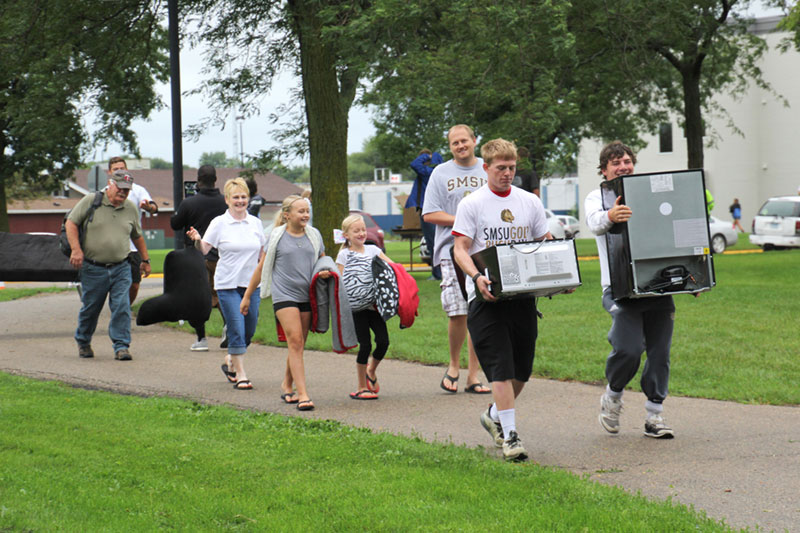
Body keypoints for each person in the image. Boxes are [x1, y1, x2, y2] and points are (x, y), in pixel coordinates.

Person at [452, 138, 551, 462]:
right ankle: (510, 437)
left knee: (521, 371)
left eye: (511, 168)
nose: (507, 174)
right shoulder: (473, 204)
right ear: (487, 168)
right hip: (487, 299)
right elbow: (461, 248)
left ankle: (494, 414)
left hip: (522, 297)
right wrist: (476, 278)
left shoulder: (529, 202)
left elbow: (543, 241)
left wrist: (559, 276)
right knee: (500, 368)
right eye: (501, 168)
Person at [584, 141, 676, 439]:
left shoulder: (647, 194)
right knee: (629, 349)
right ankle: (612, 397)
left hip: (657, 286)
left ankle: (654, 415)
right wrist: (611, 216)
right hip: (619, 287)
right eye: (616, 163)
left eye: (626, 161)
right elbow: (594, 223)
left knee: (660, 353)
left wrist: (690, 279)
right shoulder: (595, 197)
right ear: (604, 169)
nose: (623, 166)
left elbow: (668, 232)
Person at [241, 195, 329, 411]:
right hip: (284, 294)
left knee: (298, 345)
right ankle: (303, 394)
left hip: (307, 295)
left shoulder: (314, 235)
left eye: (307, 211)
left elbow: (322, 260)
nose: (305, 215)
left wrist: (325, 272)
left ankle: (286, 384)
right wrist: (247, 296)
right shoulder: (276, 237)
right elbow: (261, 268)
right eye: (301, 211)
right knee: (296, 341)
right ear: (287, 214)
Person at [422, 124, 491, 395]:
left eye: (465, 141)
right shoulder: (441, 173)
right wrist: (464, 221)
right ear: (450, 147)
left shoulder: (488, 169)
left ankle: (474, 375)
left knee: (480, 310)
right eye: (455, 143)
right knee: (458, 311)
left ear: (475, 140)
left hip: (484, 250)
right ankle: (453, 365)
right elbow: (429, 214)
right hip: (451, 249)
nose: (461, 146)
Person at [187, 178, 266, 391]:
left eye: (243, 197)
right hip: (227, 283)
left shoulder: (255, 223)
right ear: (227, 200)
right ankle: (240, 373)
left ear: (248, 199)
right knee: (236, 327)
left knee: (249, 329)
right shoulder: (219, 223)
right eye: (236, 198)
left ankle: (231, 358)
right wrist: (196, 238)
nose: (240, 201)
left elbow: (262, 254)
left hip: (250, 285)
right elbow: (204, 249)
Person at [66, 169, 151, 361]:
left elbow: (137, 236)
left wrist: (145, 261)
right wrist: (76, 250)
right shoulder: (92, 201)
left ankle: (121, 346)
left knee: (121, 306)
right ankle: (83, 340)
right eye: (120, 188)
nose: (123, 193)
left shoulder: (130, 208)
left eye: (127, 190)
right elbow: (71, 223)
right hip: (93, 267)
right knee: (91, 307)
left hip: (121, 266)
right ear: (111, 184)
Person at [170, 165, 228, 351]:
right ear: (216, 179)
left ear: (198, 180)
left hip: (196, 257)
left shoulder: (190, 203)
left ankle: (201, 339)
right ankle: (228, 328)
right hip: (221, 256)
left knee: (197, 299)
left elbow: (175, 224)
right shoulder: (225, 202)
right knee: (223, 295)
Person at [336, 213, 393, 400]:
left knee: (383, 341)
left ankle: (371, 370)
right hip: (357, 309)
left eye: (363, 230)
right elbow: (341, 282)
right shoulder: (344, 255)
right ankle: (361, 387)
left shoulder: (374, 250)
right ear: (346, 235)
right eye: (356, 231)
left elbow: (391, 267)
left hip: (375, 307)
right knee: (365, 345)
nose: (361, 234)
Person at [106, 157, 158, 304]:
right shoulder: (105, 193)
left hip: (132, 246)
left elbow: (154, 207)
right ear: (110, 172)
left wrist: (148, 207)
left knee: (134, 284)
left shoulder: (138, 190)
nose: (119, 171)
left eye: (122, 168)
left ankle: (125, 307)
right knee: (113, 283)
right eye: (116, 169)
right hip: (112, 246)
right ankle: (118, 307)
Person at [408, 149, 444, 280]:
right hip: (437, 210)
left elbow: (414, 164)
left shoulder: (427, 172)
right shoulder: (440, 171)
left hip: (427, 210)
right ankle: (440, 272)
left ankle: (438, 273)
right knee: (437, 242)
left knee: (432, 243)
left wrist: (425, 156)